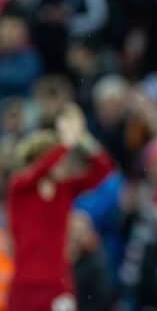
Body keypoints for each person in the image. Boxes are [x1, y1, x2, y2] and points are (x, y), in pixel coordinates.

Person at [7, 103, 113, 311]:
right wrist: (65, 143)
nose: (64, 164)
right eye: (59, 159)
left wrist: (83, 137)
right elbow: (37, 173)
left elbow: (104, 169)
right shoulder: (20, 189)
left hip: (58, 285)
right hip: (24, 287)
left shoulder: (65, 190)